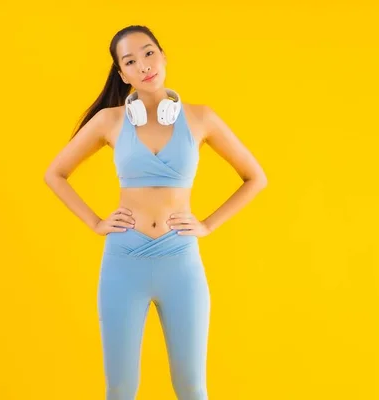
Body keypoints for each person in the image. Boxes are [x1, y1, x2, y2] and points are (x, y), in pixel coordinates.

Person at [44, 24, 267, 400]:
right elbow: (55, 173)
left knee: (192, 387)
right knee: (120, 388)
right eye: (130, 61)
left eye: (149, 53)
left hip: (180, 261)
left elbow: (255, 177)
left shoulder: (201, 118)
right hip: (122, 262)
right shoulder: (110, 121)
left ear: (163, 55)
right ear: (122, 74)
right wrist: (96, 222)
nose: (143, 65)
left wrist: (208, 224)